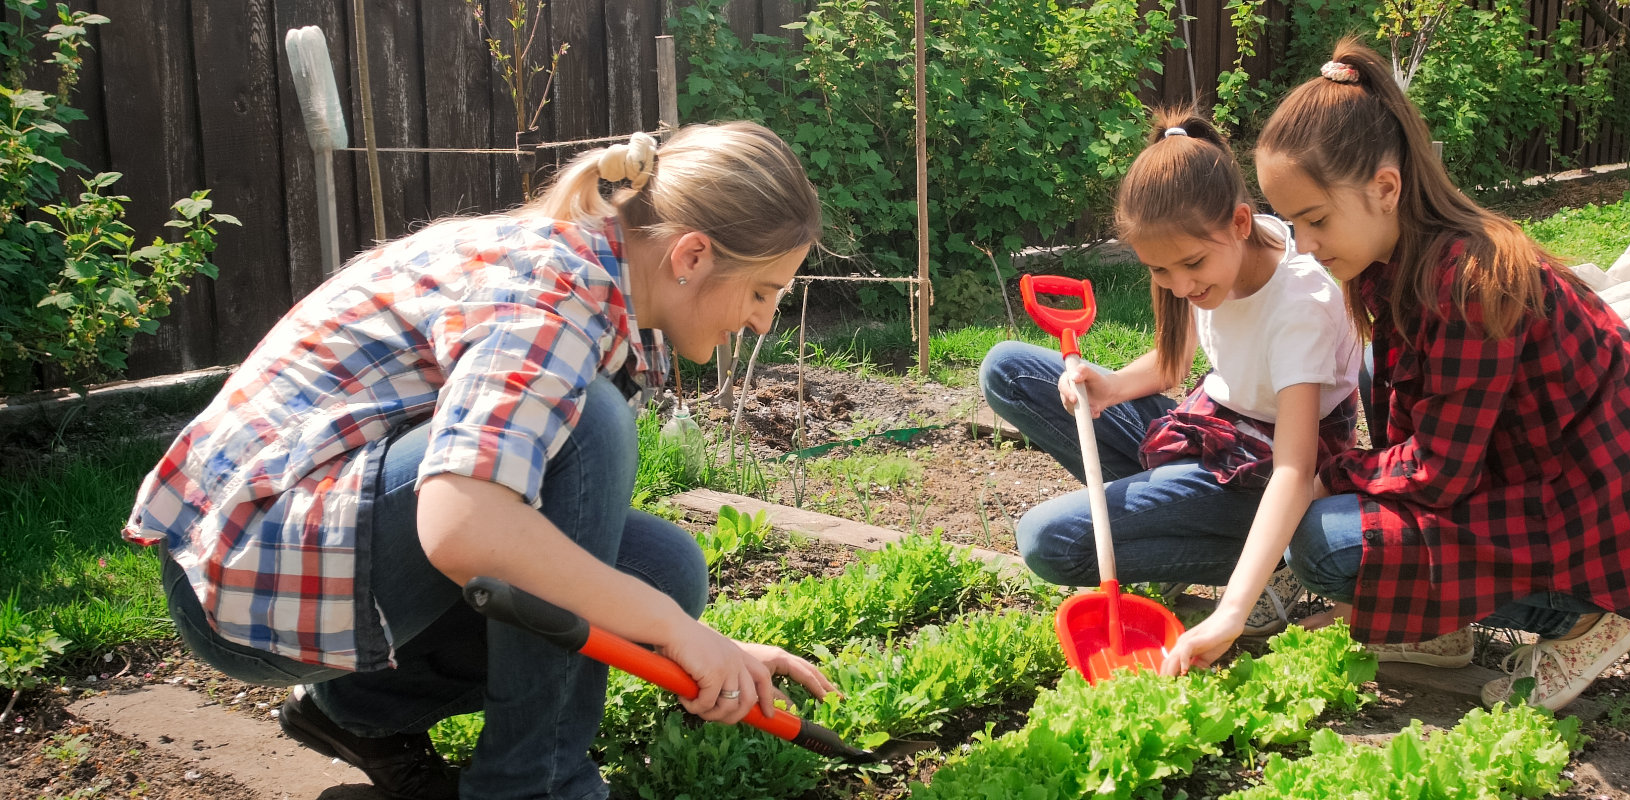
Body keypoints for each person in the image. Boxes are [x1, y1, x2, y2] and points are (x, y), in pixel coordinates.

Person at [123, 122, 837, 800]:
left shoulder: (592, 282)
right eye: (762, 292)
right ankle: (535, 785)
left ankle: (354, 709)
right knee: (591, 424)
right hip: (252, 577)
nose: (762, 321)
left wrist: (699, 640)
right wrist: (672, 630)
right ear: (691, 256)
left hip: (314, 556)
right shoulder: (552, 295)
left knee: (662, 572)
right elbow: (464, 530)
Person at [1250, 39, 1630, 711]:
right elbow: (1438, 449)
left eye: (1315, 220)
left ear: (1386, 187)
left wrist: (1334, 474)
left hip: (1598, 539)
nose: (1306, 246)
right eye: (1293, 225)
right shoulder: (1403, 267)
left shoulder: (1469, 280)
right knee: (1375, 395)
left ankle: (1588, 618)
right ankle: (1440, 627)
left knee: (1321, 543)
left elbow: (1438, 473)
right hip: (1535, 488)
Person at [979, 108, 1366, 675]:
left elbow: (1295, 466)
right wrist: (1107, 387)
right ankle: (1189, 521)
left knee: (1048, 540)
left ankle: (1267, 564)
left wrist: (1231, 611)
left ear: (1239, 223)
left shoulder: (1298, 305)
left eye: (1190, 265)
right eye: (1159, 272)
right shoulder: (1210, 252)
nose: (1180, 285)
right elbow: (1175, 364)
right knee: (1009, 368)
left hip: (1270, 467)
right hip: (1215, 424)